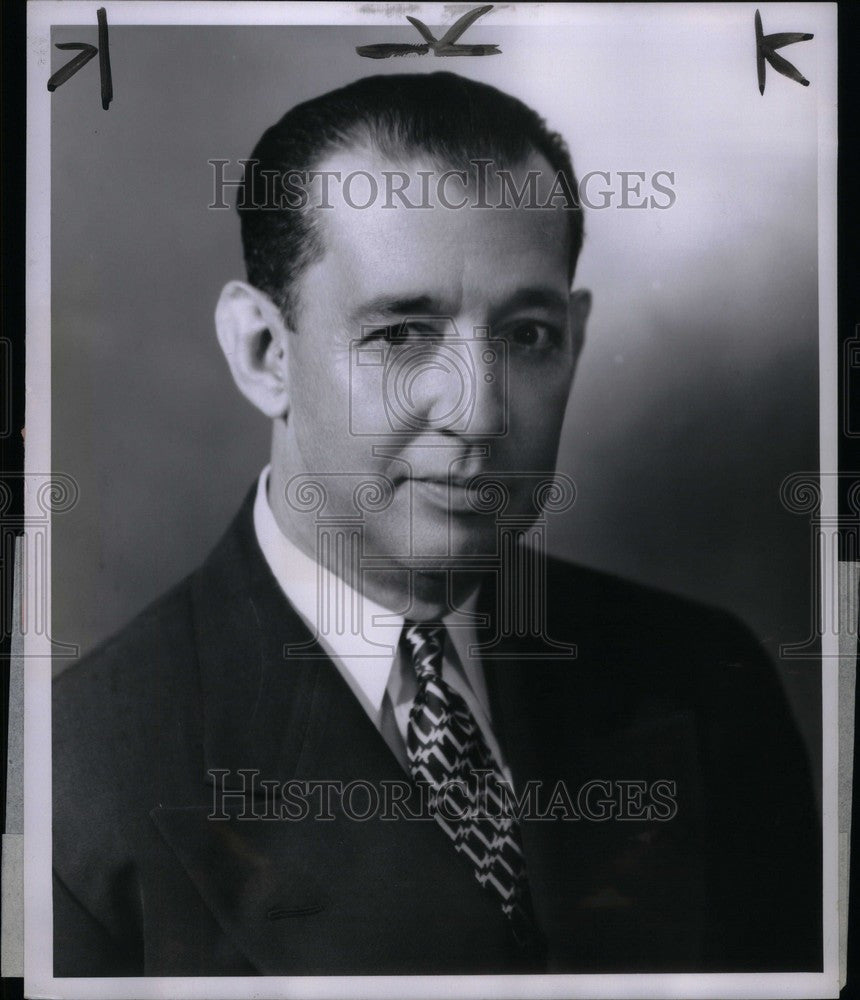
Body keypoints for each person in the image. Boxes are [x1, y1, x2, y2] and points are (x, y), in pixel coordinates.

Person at [53, 72, 821, 977]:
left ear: (573, 342)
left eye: (525, 335)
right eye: (402, 334)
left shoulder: (703, 676)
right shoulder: (83, 775)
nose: (481, 415)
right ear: (265, 354)